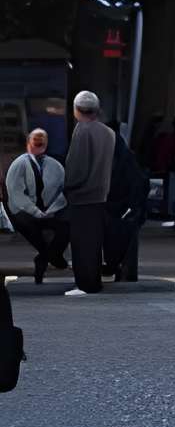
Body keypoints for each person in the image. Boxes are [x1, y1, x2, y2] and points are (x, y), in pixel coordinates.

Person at [62, 90, 116, 296]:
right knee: (94, 243)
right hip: (100, 194)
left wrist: (66, 186)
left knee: (81, 243)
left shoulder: (82, 130)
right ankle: (93, 281)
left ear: (76, 110)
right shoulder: (108, 133)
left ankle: (85, 284)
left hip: (82, 196)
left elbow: (77, 168)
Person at [4, 128, 68, 283]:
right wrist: (35, 211)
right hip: (22, 211)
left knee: (66, 227)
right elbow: (16, 194)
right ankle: (50, 257)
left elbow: (63, 191)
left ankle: (47, 257)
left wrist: (52, 210)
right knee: (34, 231)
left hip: (47, 210)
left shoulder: (55, 166)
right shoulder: (19, 164)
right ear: (28, 143)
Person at [104, 122, 148, 283]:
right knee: (128, 240)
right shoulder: (127, 157)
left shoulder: (105, 154)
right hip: (127, 210)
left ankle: (111, 266)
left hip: (111, 209)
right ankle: (125, 273)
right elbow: (139, 183)